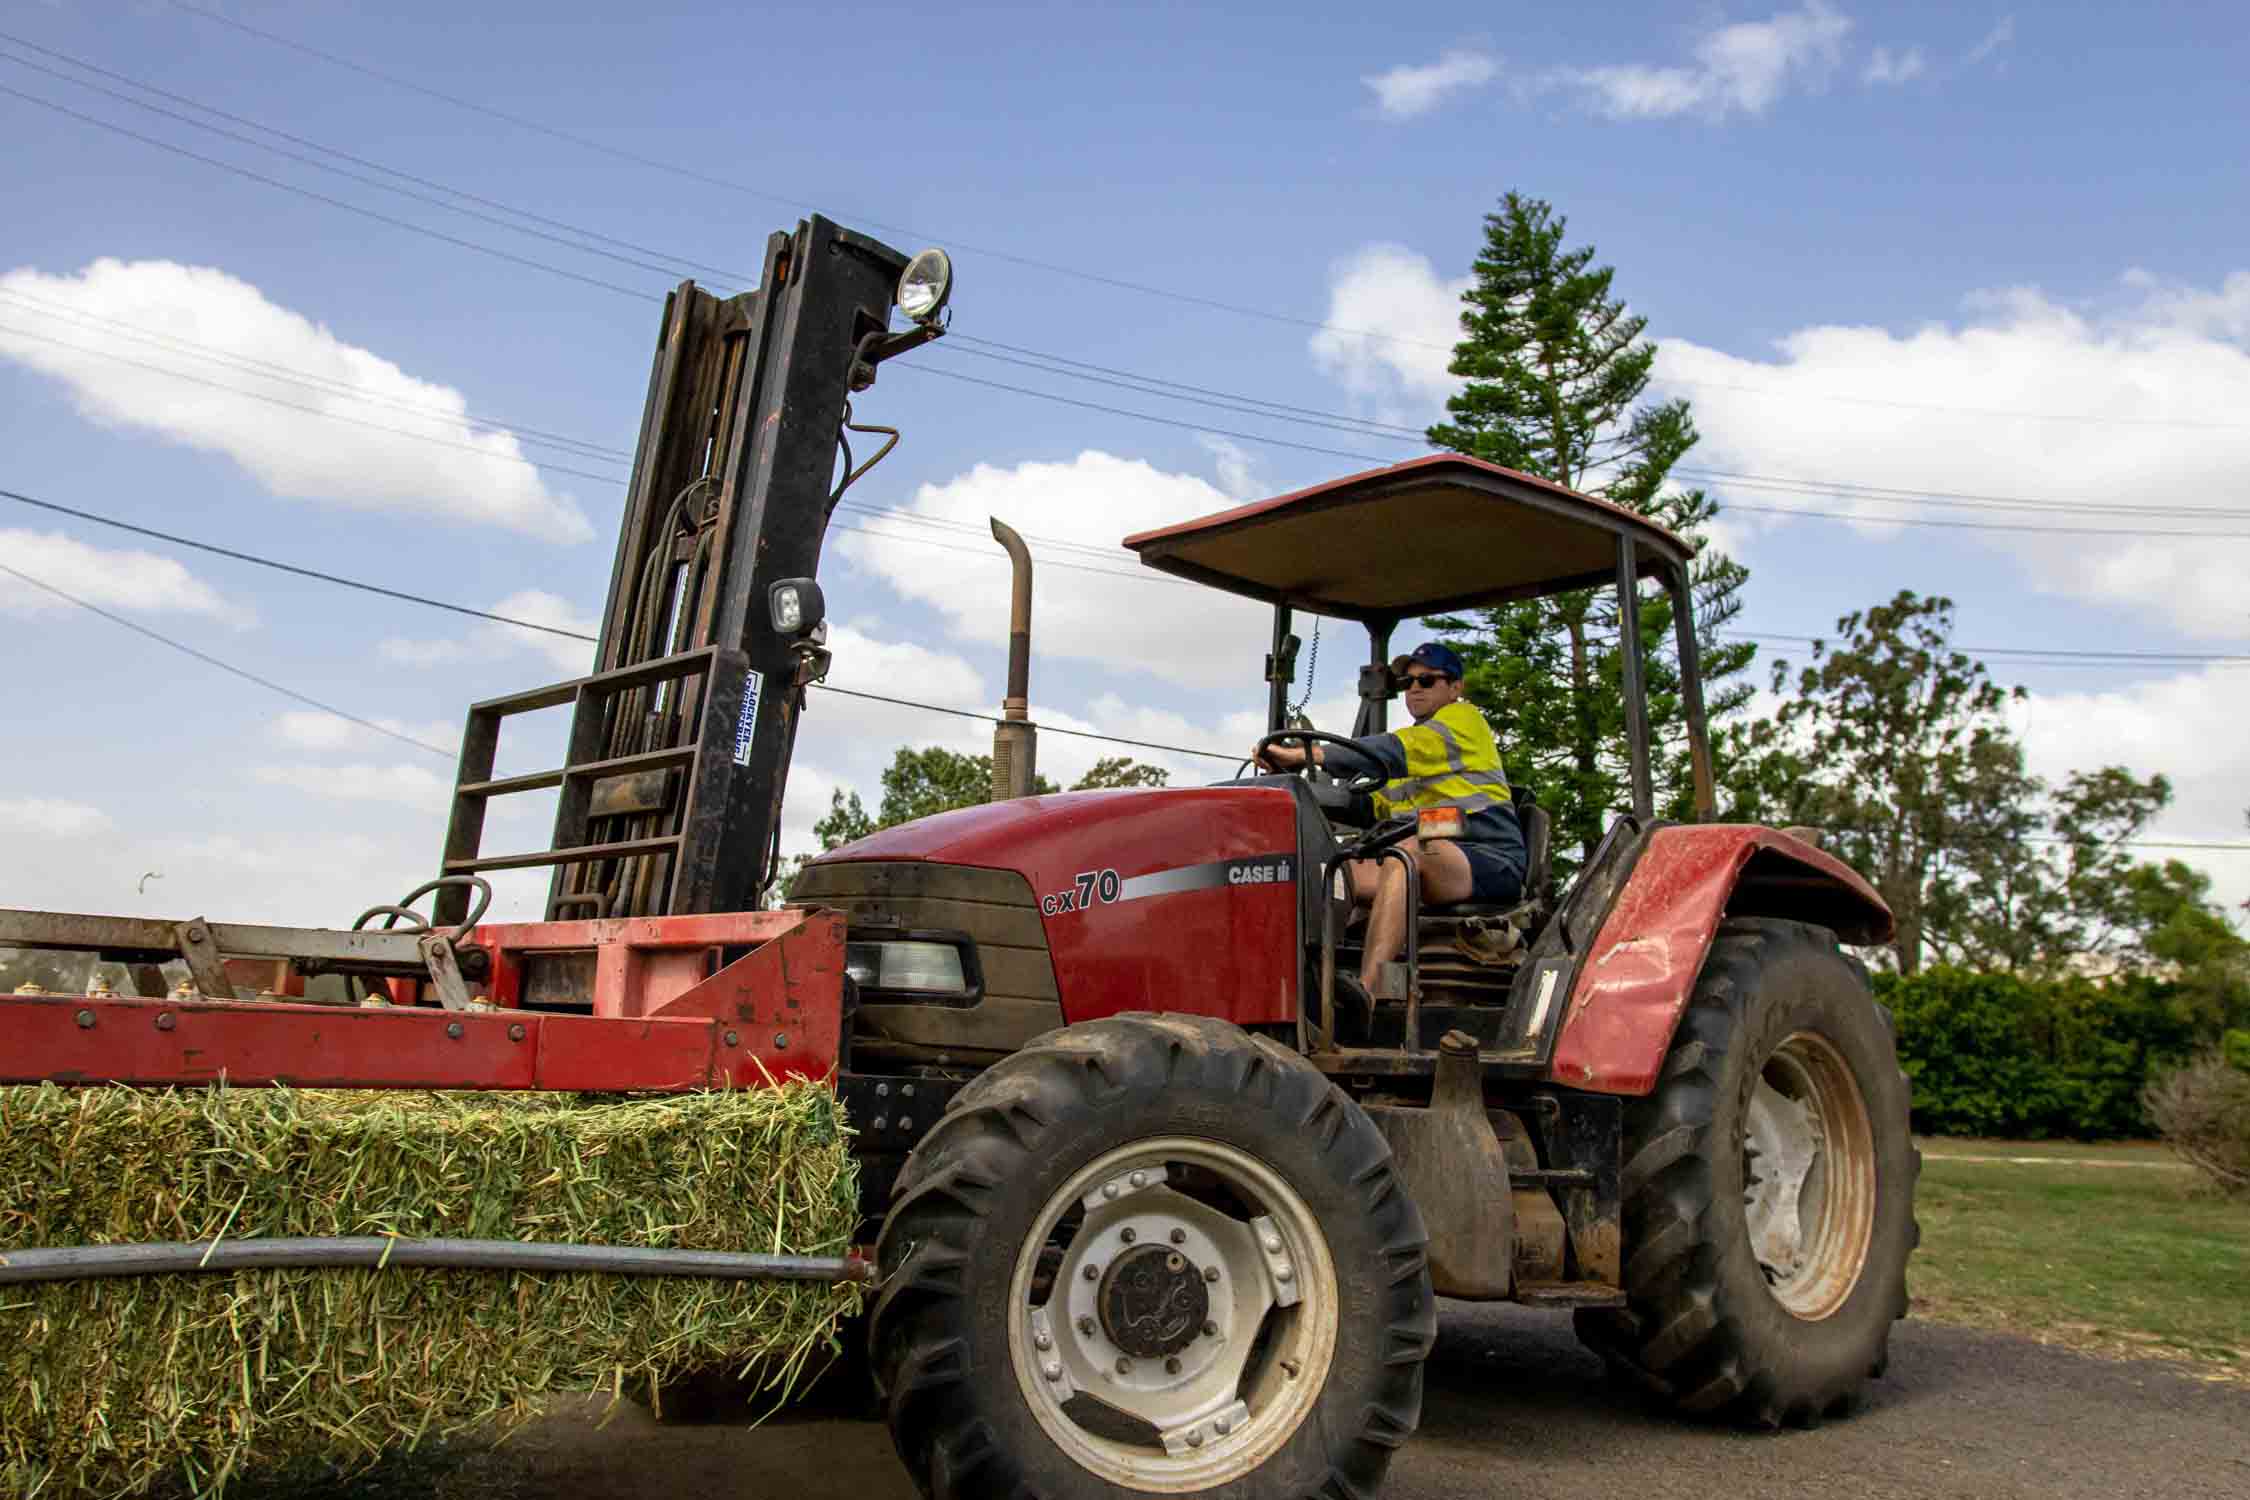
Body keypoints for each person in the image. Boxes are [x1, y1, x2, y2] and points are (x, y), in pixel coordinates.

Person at [1254, 642, 1526, 1006]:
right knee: (1328, 870)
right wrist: (1309, 793)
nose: (1414, 688)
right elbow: (1378, 809)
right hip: (1437, 841)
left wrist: (1309, 755)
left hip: (1486, 850)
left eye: (1427, 680)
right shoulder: (1412, 757)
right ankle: (1309, 987)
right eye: (1407, 682)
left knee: (1404, 857)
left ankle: (1370, 991)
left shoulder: (1462, 723)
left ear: (1455, 687)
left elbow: (1397, 751)